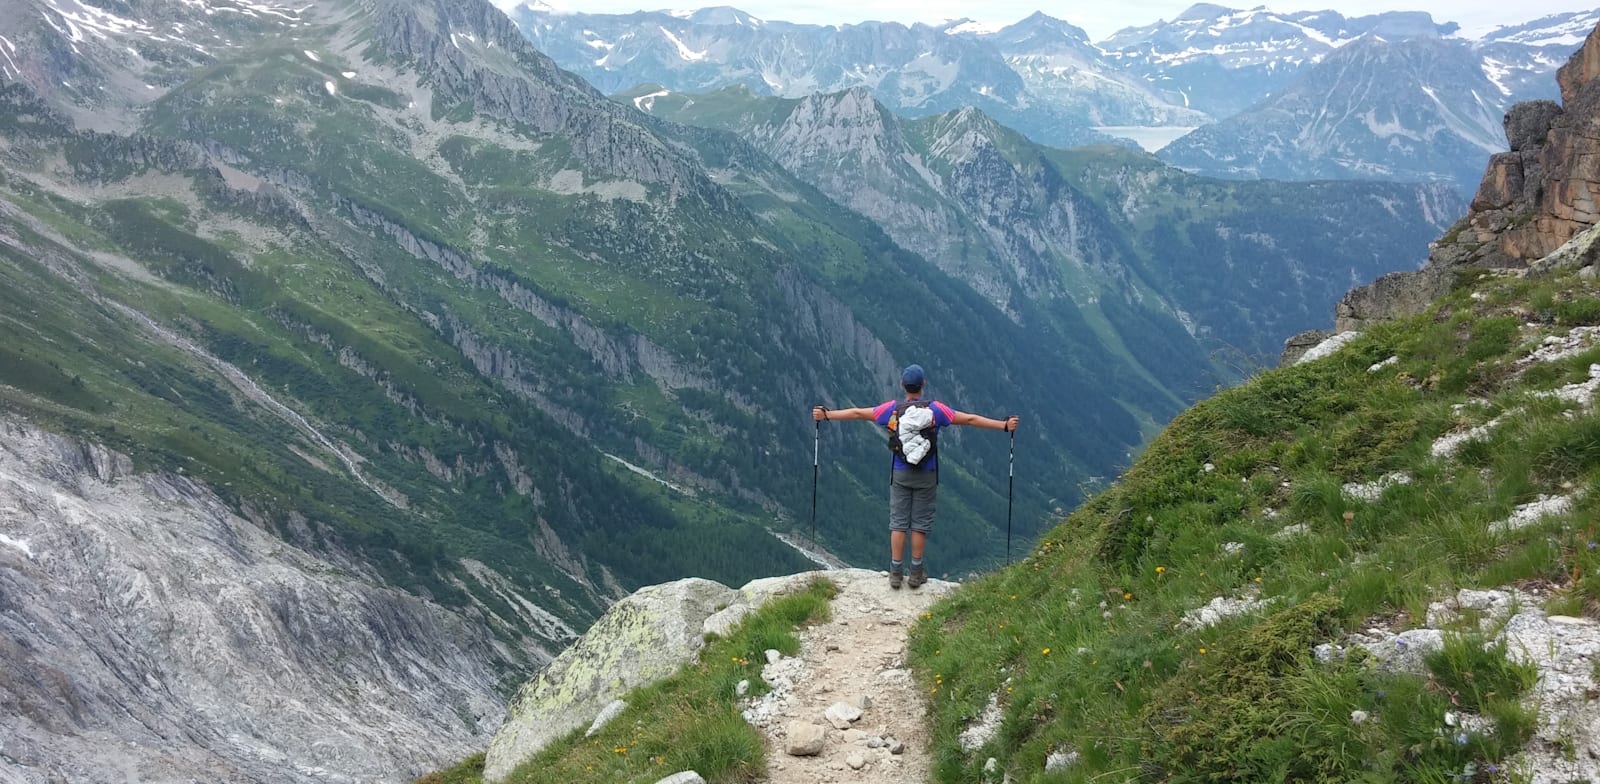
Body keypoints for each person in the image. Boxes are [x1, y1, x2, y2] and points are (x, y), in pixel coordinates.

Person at [813, 364, 1019, 589]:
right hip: (927, 474)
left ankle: (895, 572)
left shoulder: (891, 409)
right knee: (920, 523)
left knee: (899, 522)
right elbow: (970, 419)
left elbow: (857, 413)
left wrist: (827, 415)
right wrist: (1003, 426)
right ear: (923, 385)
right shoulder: (936, 410)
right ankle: (916, 573)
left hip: (900, 473)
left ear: (902, 385)